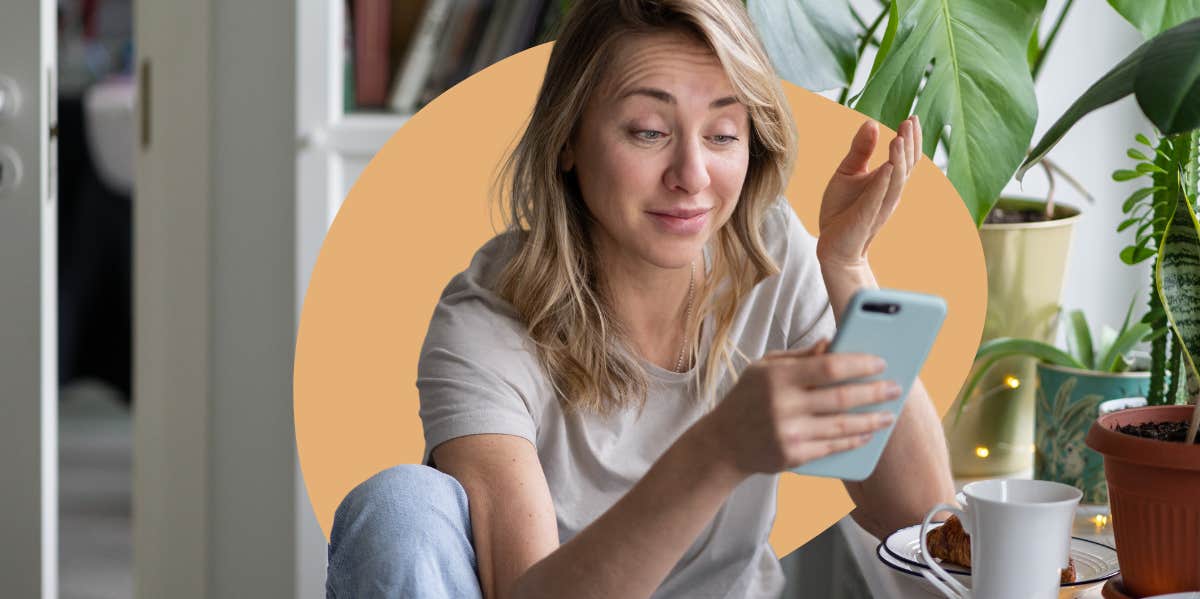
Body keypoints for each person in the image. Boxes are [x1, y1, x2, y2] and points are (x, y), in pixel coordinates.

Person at [325, 0, 955, 597]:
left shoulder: (769, 252)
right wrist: (719, 450)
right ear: (567, 139)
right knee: (399, 505)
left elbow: (920, 519)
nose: (691, 175)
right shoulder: (487, 321)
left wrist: (845, 266)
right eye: (649, 132)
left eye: (723, 134)